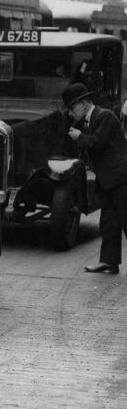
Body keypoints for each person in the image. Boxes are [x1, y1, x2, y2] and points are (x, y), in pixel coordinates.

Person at [63, 82, 127, 273]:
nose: (70, 113)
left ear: (84, 103)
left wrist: (80, 137)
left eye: (72, 107)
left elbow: (98, 142)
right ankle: (108, 261)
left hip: (120, 178)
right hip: (107, 180)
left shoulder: (104, 115)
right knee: (108, 222)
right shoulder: (88, 121)